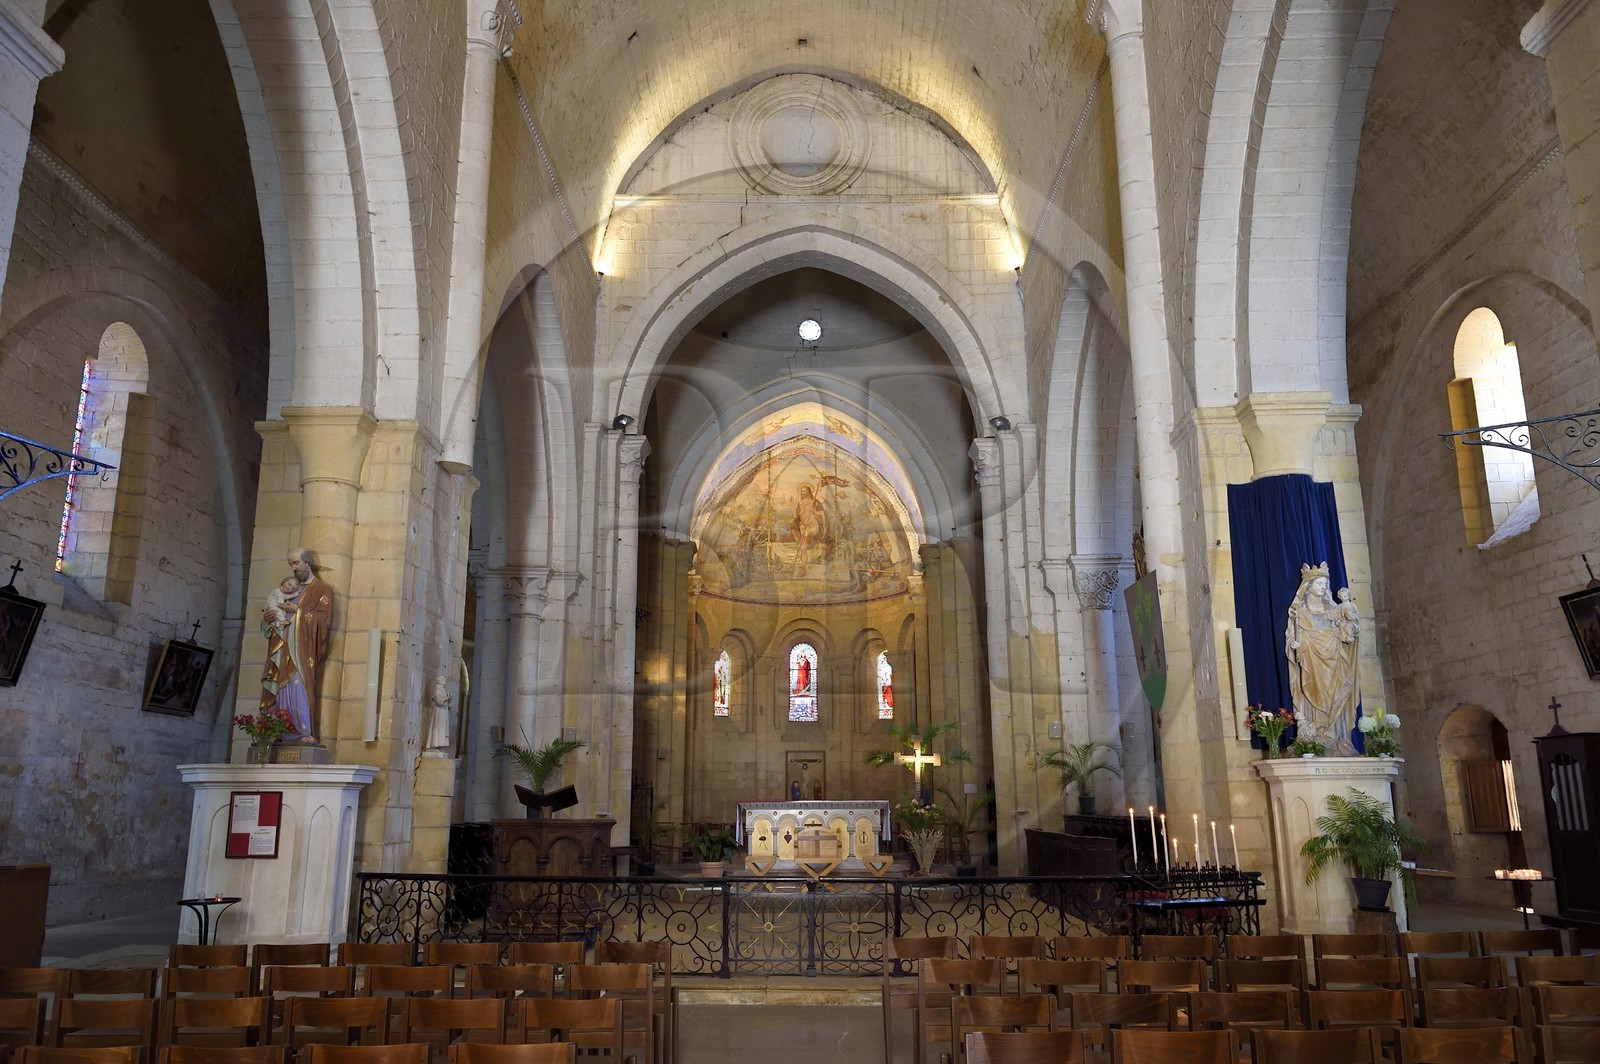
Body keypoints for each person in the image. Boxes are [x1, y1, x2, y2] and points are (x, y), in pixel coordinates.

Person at [260, 546, 335, 743]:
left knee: (298, 686)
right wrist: (267, 619)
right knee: (280, 687)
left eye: (296, 563)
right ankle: (277, 731)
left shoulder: (322, 590)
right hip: (281, 646)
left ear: (307, 562)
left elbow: (324, 621)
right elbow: (271, 613)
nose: (293, 568)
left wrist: (298, 610)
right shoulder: (284, 589)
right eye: (291, 564)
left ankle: (302, 731)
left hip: (302, 651)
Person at [1285, 562, 1359, 755]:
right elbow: (1292, 637)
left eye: (1325, 583)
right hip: (1312, 663)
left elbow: (1347, 634)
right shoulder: (1299, 612)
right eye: (1319, 583)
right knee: (1315, 695)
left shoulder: (1335, 609)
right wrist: (1293, 644)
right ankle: (1316, 734)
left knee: (1338, 691)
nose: (1324, 587)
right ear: (1308, 586)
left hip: (1334, 659)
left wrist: (1348, 627)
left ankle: (1336, 736)